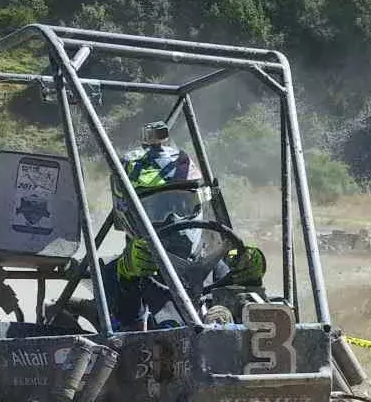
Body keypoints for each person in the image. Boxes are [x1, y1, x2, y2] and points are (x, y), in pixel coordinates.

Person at [100, 121, 265, 330]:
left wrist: (250, 276)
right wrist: (128, 275)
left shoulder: (213, 266)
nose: (175, 218)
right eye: (159, 207)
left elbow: (245, 311)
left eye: (183, 204)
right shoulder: (113, 273)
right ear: (127, 213)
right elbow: (123, 318)